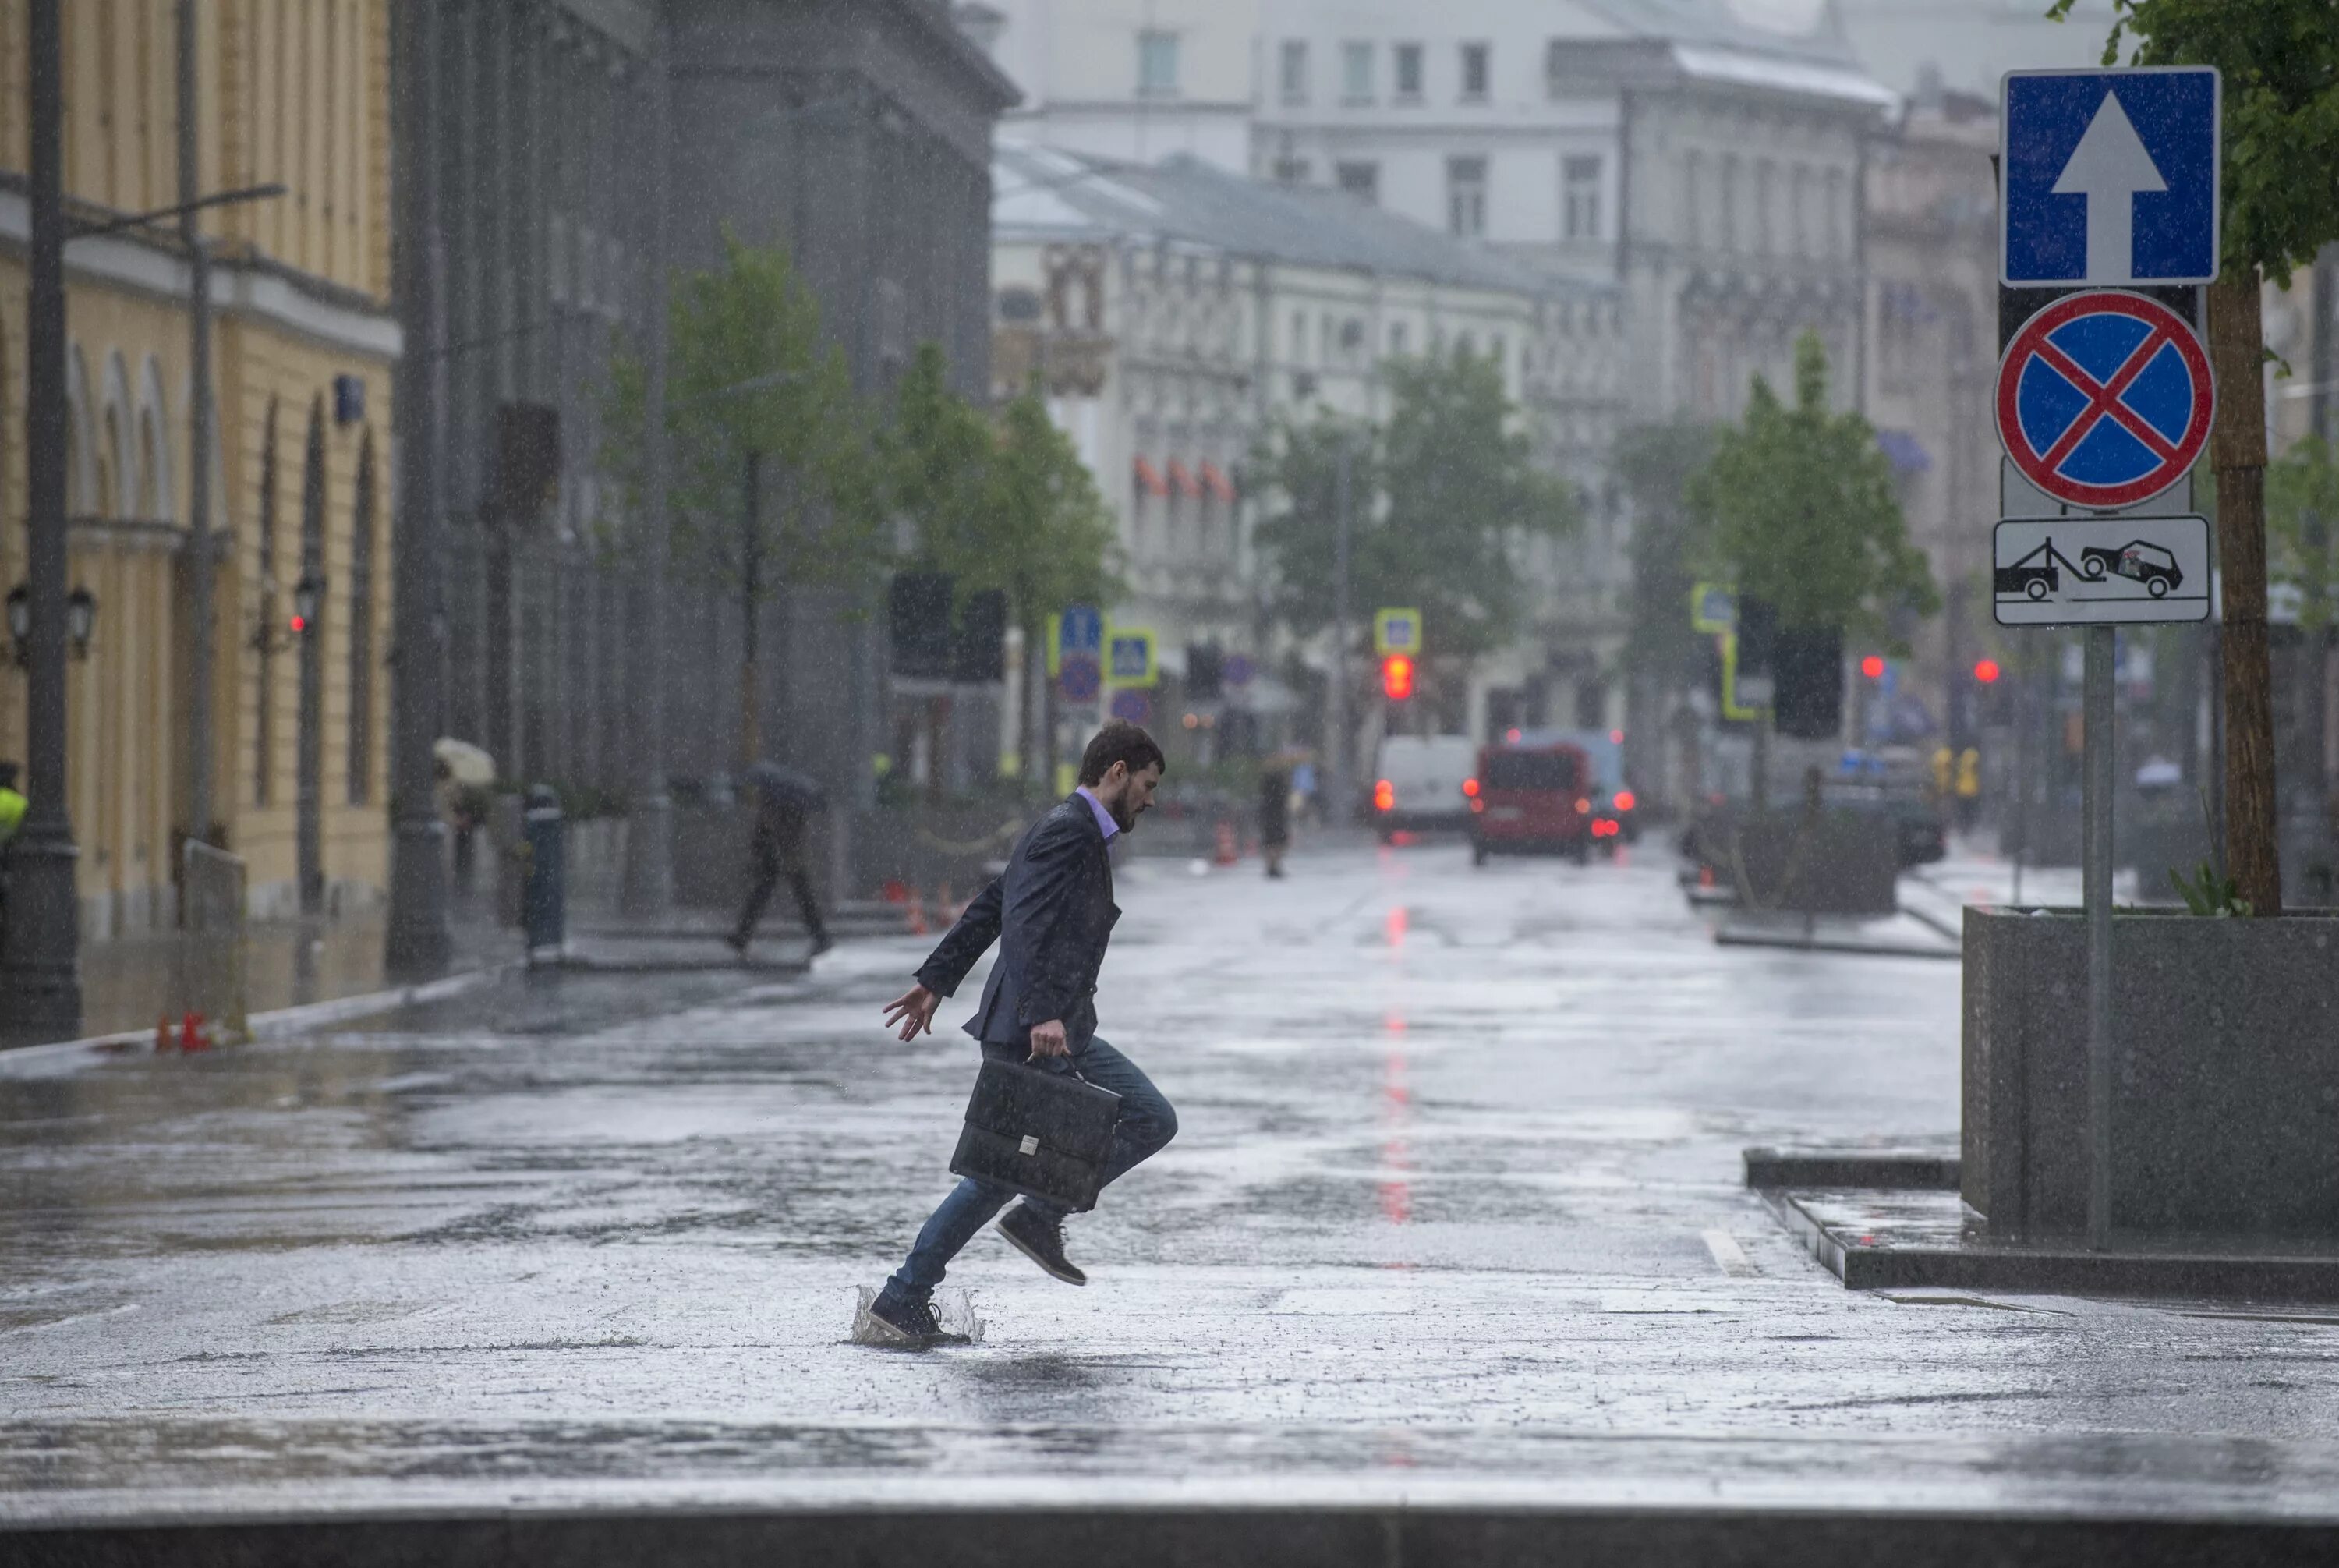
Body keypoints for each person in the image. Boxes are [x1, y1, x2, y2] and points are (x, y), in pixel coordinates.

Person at [865, 720, 1174, 1347]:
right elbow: (1024, 921)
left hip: (1059, 1026)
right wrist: (1040, 1014)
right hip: (1037, 1029)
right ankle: (914, 1289)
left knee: (1027, 1161)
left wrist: (935, 979)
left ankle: (1015, 1228)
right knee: (1012, 1167)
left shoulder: (1069, 828)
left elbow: (993, 903)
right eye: (1145, 784)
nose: (1150, 798)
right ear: (1115, 771)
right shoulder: (1067, 831)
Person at [729, 761, 831, 957]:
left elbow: (786, 834)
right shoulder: (777, 802)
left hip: (788, 858)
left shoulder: (789, 807)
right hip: (777, 859)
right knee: (767, 895)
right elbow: (763, 834)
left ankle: (820, 936)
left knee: (801, 897)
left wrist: (772, 824)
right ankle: (742, 936)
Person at [1257, 758, 1292, 879]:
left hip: (1268, 816)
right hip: (1278, 816)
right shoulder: (1281, 783)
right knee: (1277, 843)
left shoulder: (1266, 782)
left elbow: (1262, 797)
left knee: (1270, 842)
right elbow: (1284, 799)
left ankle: (1270, 866)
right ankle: (1274, 866)